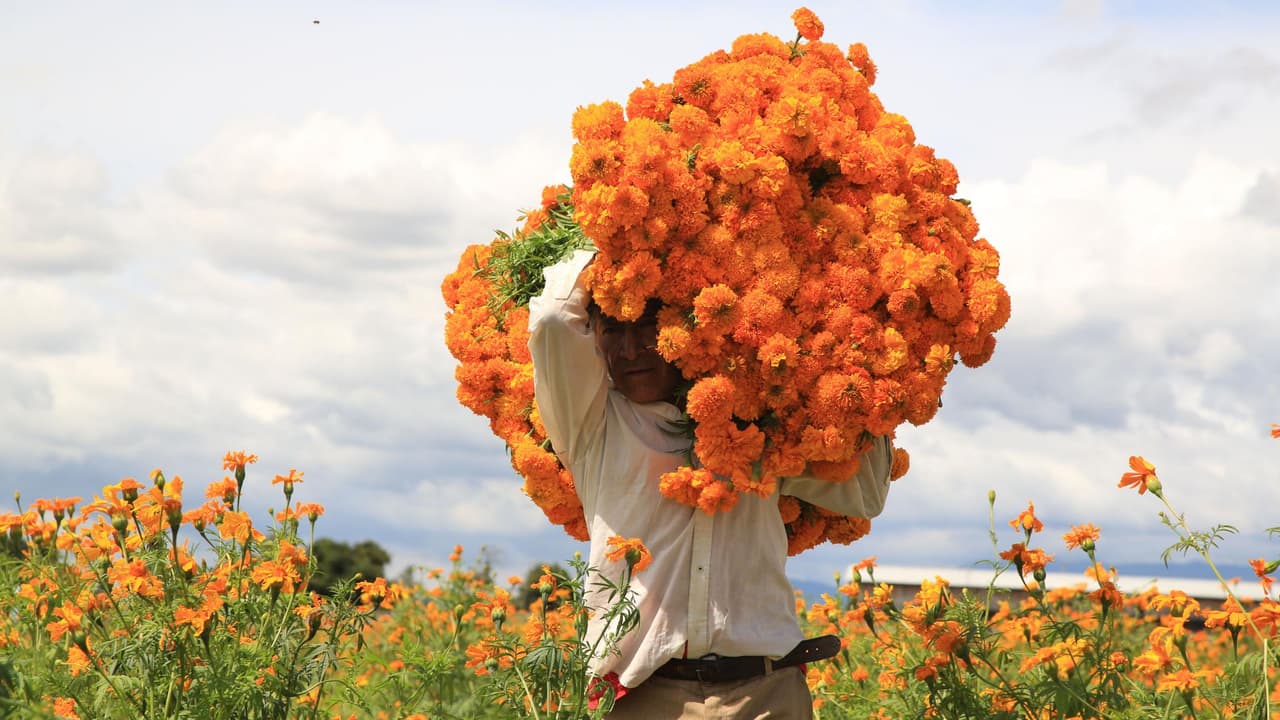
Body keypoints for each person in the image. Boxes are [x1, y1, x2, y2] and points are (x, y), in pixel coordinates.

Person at [528, 249, 893, 719]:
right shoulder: (591, 424)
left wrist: (865, 381)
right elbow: (556, 319)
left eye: (650, 326)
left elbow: (863, 494)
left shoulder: (758, 423)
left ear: (690, 329)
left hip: (766, 694)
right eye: (613, 329)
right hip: (643, 696)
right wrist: (608, 244)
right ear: (595, 339)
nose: (631, 349)